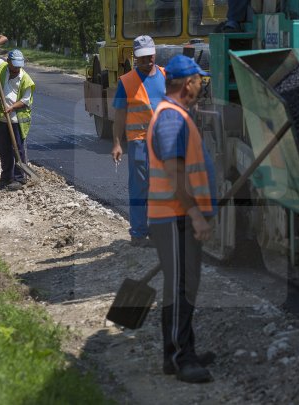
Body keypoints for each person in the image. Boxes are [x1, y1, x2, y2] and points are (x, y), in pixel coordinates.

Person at [146, 55, 217, 384]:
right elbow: (175, 174)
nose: (202, 84)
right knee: (179, 287)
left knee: (185, 286)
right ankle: (179, 357)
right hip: (174, 216)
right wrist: (195, 214)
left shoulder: (175, 115)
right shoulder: (172, 118)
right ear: (187, 83)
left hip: (177, 216)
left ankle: (179, 351)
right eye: (199, 79)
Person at [111, 35, 166, 248]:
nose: (146, 61)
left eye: (149, 56)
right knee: (139, 189)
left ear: (155, 54)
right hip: (139, 142)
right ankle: (138, 234)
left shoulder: (165, 76)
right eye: (142, 58)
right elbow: (119, 115)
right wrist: (116, 143)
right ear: (135, 58)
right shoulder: (127, 82)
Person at [0, 49, 35, 191]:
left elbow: (25, 100)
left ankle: (19, 178)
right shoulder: (2, 68)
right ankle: (6, 177)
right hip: (0, 119)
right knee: (3, 149)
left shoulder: (25, 79)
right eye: (14, 65)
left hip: (16, 121)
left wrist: (12, 107)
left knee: (18, 150)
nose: (17, 69)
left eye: (19, 66)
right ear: (8, 62)